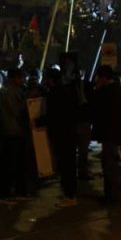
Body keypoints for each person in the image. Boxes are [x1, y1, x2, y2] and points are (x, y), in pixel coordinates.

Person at [91, 65, 121, 206]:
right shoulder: (118, 90)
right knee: (110, 165)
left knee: (110, 166)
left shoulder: (106, 92)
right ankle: (111, 195)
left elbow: (96, 108)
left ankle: (113, 197)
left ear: (103, 78)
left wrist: (97, 90)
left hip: (109, 134)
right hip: (114, 133)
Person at [45, 67, 80, 206]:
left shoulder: (53, 93)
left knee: (65, 166)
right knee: (69, 165)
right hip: (70, 133)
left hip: (61, 135)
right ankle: (70, 193)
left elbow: (52, 115)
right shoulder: (68, 91)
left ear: (51, 80)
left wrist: (38, 121)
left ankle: (69, 196)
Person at [0, 68, 29, 202]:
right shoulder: (9, 92)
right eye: (20, 78)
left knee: (17, 162)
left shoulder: (17, 91)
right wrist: (26, 101)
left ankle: (16, 190)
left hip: (16, 131)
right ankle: (5, 191)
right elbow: (15, 111)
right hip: (12, 131)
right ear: (13, 78)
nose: (22, 80)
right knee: (10, 163)